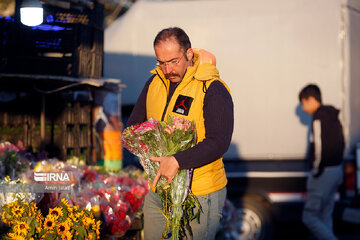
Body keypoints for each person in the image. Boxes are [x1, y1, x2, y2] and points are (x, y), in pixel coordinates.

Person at [126, 27, 234, 239]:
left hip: (201, 194)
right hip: (159, 191)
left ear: (189, 54)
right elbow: (133, 127)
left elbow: (219, 141)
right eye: (161, 62)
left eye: (174, 61)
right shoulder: (154, 83)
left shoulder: (212, 88)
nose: (168, 70)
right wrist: (142, 144)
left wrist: (177, 160)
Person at [298, 84, 345, 240]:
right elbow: (342, 142)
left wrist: (316, 169)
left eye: (303, 103)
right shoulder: (333, 115)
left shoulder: (319, 117)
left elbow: (318, 146)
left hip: (323, 173)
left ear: (311, 99)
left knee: (309, 216)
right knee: (325, 215)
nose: (303, 109)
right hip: (337, 170)